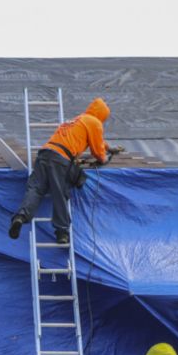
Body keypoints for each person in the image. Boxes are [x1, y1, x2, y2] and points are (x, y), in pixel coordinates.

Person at [8, 97, 111, 245]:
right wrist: (104, 158)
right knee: (59, 192)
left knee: (35, 189)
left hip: (45, 153)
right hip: (60, 158)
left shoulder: (77, 120)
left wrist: (108, 147)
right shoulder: (94, 122)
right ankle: (62, 232)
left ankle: (20, 216)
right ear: (102, 115)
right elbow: (98, 150)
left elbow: (98, 140)